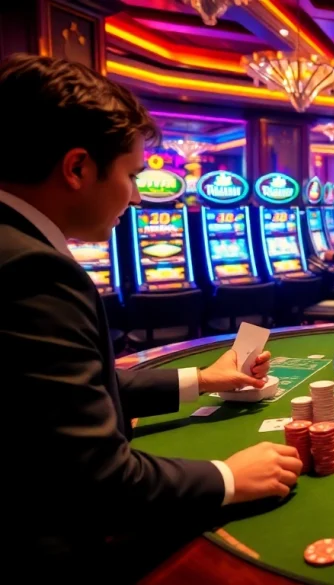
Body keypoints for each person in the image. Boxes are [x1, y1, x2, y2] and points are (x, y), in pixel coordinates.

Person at [0, 54, 303, 578]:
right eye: (131, 174)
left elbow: (60, 395)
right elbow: (97, 480)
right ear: (77, 168)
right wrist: (227, 476)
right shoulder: (33, 271)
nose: (137, 196)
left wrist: (203, 378)